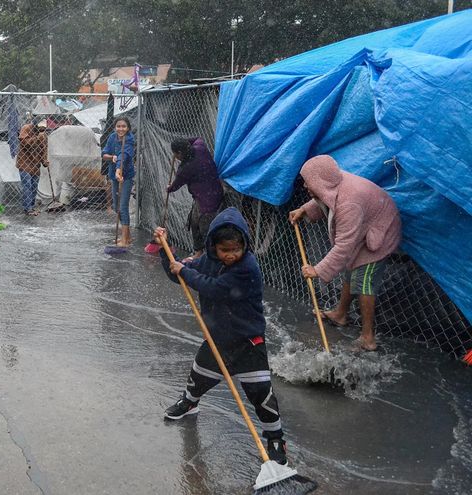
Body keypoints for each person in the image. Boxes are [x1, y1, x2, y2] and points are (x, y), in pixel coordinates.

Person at [154, 207, 288, 465]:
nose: (230, 255)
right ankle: (190, 403)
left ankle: (275, 437)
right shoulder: (209, 260)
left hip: (249, 341)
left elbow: (213, 288)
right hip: (218, 336)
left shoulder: (247, 267)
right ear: (213, 246)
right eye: (224, 250)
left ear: (244, 245)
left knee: (261, 393)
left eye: (235, 249)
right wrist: (165, 250)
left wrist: (184, 270)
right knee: (199, 375)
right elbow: (180, 273)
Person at [288, 155, 401, 351]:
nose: (305, 185)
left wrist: (318, 270)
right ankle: (340, 314)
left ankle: (368, 338)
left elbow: (344, 245)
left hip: (381, 233)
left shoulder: (349, 203)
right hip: (367, 225)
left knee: (363, 281)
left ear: (320, 181)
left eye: (308, 181)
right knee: (351, 269)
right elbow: (327, 197)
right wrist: (305, 209)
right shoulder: (334, 183)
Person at [167, 137, 224, 257]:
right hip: (214, 192)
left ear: (179, 153)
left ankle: (210, 258)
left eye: (175, 154)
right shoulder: (200, 148)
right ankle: (198, 252)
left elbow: (175, 186)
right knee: (194, 222)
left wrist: (169, 188)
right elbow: (197, 138)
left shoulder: (185, 169)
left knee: (205, 229)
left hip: (207, 202)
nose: (175, 157)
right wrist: (184, 143)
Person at [101, 117, 135, 247]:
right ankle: (128, 236)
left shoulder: (130, 139)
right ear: (115, 127)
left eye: (124, 126)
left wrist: (118, 170)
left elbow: (124, 155)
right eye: (118, 126)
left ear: (128, 128)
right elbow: (104, 154)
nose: (121, 129)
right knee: (116, 207)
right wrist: (111, 157)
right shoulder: (112, 137)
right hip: (114, 175)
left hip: (125, 176)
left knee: (123, 207)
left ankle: (125, 240)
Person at [15, 120, 49, 215]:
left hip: (35, 164)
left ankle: (32, 206)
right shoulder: (26, 128)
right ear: (35, 125)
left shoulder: (43, 135)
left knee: (34, 186)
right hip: (25, 162)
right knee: (27, 185)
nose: (42, 130)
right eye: (40, 128)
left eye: (44, 129)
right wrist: (37, 138)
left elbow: (44, 149)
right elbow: (25, 143)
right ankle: (27, 208)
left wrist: (44, 161)